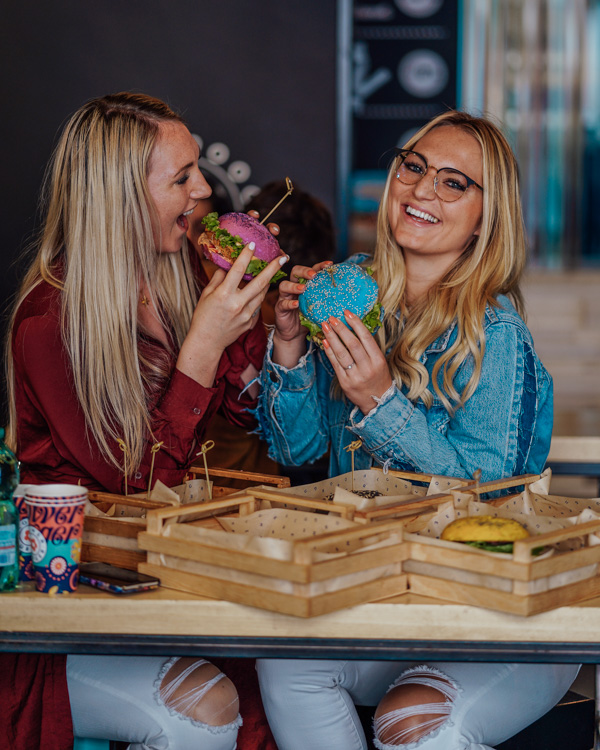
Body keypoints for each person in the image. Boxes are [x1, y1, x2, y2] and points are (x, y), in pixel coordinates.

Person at [253, 110, 580, 749]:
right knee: (286, 661)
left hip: (496, 617)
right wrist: (290, 348)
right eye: (415, 166)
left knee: (409, 724)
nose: (423, 189)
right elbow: (300, 452)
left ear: (488, 216)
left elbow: (491, 502)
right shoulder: (350, 290)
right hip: (390, 603)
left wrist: (381, 403)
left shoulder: (498, 337)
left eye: (455, 183)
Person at [3, 92, 286, 749]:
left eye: (199, 170)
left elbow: (241, 415)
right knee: (212, 707)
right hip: (78, 597)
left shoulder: (181, 268)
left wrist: (274, 335)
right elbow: (136, 482)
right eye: (181, 178)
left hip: (173, 577)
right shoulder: (48, 321)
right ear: (120, 196)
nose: (203, 191)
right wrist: (203, 348)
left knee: (283, 670)